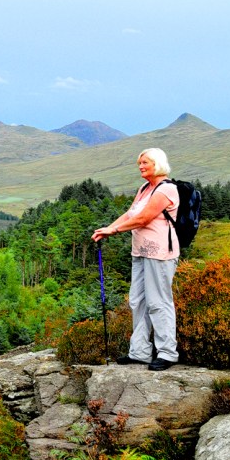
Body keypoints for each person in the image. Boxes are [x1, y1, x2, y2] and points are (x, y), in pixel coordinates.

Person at [92, 147, 180, 371]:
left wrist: (115, 231)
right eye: (139, 163)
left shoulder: (166, 189)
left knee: (158, 301)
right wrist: (108, 228)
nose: (141, 166)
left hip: (160, 253)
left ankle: (167, 353)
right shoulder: (144, 188)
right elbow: (131, 214)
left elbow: (144, 218)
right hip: (140, 252)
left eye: (145, 163)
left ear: (157, 164)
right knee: (137, 301)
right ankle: (139, 352)